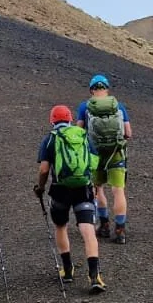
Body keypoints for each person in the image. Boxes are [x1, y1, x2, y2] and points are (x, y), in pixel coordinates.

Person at [34, 105, 106, 293]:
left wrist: (40, 187)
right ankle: (94, 275)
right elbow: (94, 163)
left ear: (52, 121)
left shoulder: (50, 139)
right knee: (88, 230)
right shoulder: (82, 136)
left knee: (61, 226)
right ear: (70, 119)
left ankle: (67, 270)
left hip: (60, 190)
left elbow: (43, 169)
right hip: (83, 188)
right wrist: (95, 186)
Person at [76, 74, 131, 243]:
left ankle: (104, 225)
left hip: (95, 154)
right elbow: (128, 133)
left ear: (92, 90)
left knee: (98, 188)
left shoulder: (85, 107)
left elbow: (79, 133)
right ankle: (120, 230)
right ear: (107, 89)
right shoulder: (118, 106)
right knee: (118, 190)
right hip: (116, 152)